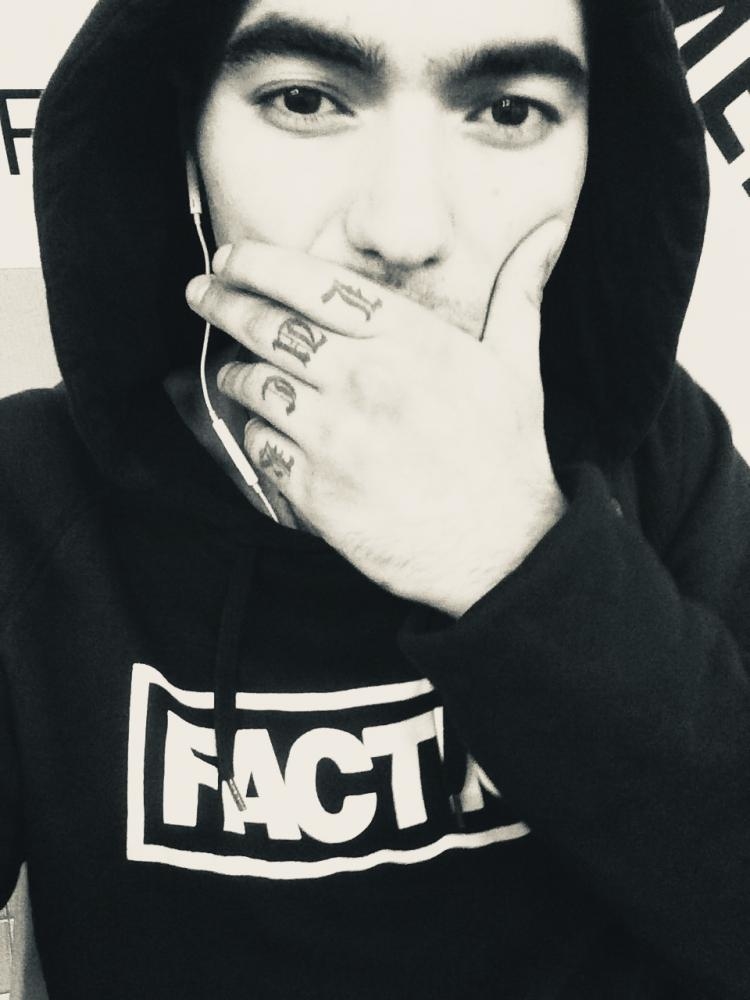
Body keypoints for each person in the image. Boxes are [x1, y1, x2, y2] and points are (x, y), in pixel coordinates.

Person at [1, 0, 748, 996]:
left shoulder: (658, 454)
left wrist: (517, 555)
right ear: (186, 139)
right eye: (305, 100)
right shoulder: (29, 495)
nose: (402, 230)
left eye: (508, 111)